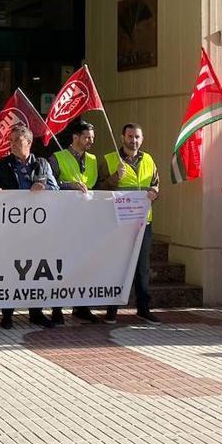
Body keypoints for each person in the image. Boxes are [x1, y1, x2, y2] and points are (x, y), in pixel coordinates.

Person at [0, 126, 59, 329]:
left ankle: (36, 312)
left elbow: (56, 188)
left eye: (17, 140)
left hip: (37, 228)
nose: (11, 144)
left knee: (36, 270)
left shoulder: (42, 164)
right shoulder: (2, 164)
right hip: (11, 227)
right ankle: (7, 314)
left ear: (28, 142)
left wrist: (44, 187)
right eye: (10, 140)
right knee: (10, 269)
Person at [101, 124, 160, 325]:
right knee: (118, 266)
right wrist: (115, 177)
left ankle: (143, 309)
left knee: (142, 268)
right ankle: (111, 310)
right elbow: (99, 188)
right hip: (119, 222)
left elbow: (155, 184)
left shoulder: (149, 159)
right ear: (122, 137)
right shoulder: (110, 160)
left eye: (137, 137)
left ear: (141, 139)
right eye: (129, 136)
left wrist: (155, 192)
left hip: (144, 221)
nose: (133, 140)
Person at [51, 119, 99, 324]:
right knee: (61, 265)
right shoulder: (57, 157)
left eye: (92, 138)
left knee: (83, 264)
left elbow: (100, 186)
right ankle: (57, 308)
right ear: (75, 137)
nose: (90, 141)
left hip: (86, 221)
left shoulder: (94, 160)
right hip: (63, 221)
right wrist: (68, 185)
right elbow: (50, 184)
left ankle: (81, 306)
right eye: (87, 137)